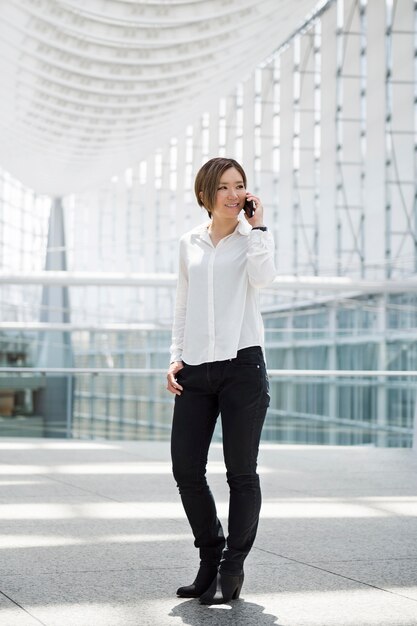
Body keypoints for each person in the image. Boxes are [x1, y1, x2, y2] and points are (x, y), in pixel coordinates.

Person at [166, 157, 276, 604]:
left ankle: (232, 567)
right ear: (206, 193)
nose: (234, 194)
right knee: (186, 469)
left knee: (241, 473)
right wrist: (175, 358)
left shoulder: (253, 240)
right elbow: (182, 303)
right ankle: (209, 559)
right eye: (225, 186)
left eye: (240, 186)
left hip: (242, 365)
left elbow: (264, 280)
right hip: (195, 367)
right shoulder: (188, 242)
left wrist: (260, 230)